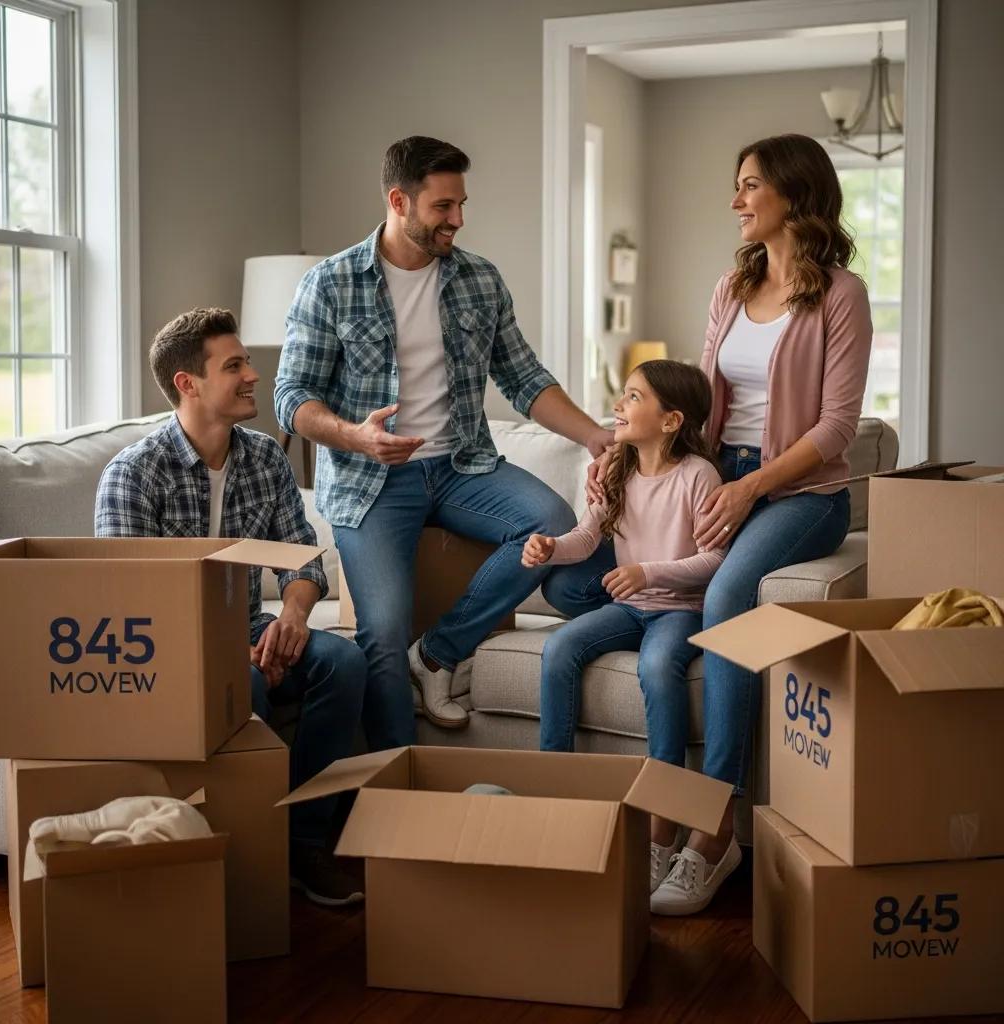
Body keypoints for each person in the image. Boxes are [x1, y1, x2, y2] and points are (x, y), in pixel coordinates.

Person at [546, 133, 873, 915]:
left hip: (801, 494)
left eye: (750, 185)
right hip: (721, 469)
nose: (736, 201)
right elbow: (702, 398)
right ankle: (643, 637)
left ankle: (711, 829)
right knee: (567, 581)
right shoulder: (732, 286)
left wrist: (751, 484)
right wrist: (633, 455)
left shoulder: (841, 293)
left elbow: (835, 427)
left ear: (792, 193)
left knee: (727, 600)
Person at [274, 135, 612, 748]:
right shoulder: (330, 284)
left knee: (551, 523)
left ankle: (436, 654)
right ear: (399, 201)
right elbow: (292, 398)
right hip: (369, 477)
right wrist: (356, 437)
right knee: (381, 629)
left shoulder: (479, 279)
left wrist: (594, 436)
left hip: (461, 466)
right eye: (442, 207)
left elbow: (523, 378)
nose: (457, 219)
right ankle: (397, 790)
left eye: (461, 205)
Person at [95, 307, 369, 907]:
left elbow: (301, 558)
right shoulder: (133, 476)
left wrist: (293, 617)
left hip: (249, 626)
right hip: (167, 645)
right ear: (187, 384)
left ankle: (304, 845)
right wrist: (227, 649)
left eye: (247, 361)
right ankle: (248, 852)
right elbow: (134, 608)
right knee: (241, 682)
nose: (253, 375)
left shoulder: (265, 457)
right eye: (235, 365)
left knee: (345, 663)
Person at [525, 360, 725, 899]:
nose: (619, 405)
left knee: (658, 667)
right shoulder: (618, 470)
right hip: (632, 606)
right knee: (560, 646)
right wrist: (550, 549)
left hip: (680, 609)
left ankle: (662, 823)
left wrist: (647, 573)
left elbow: (715, 559)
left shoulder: (698, 477)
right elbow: (586, 538)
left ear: (670, 420)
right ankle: (554, 788)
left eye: (633, 397)